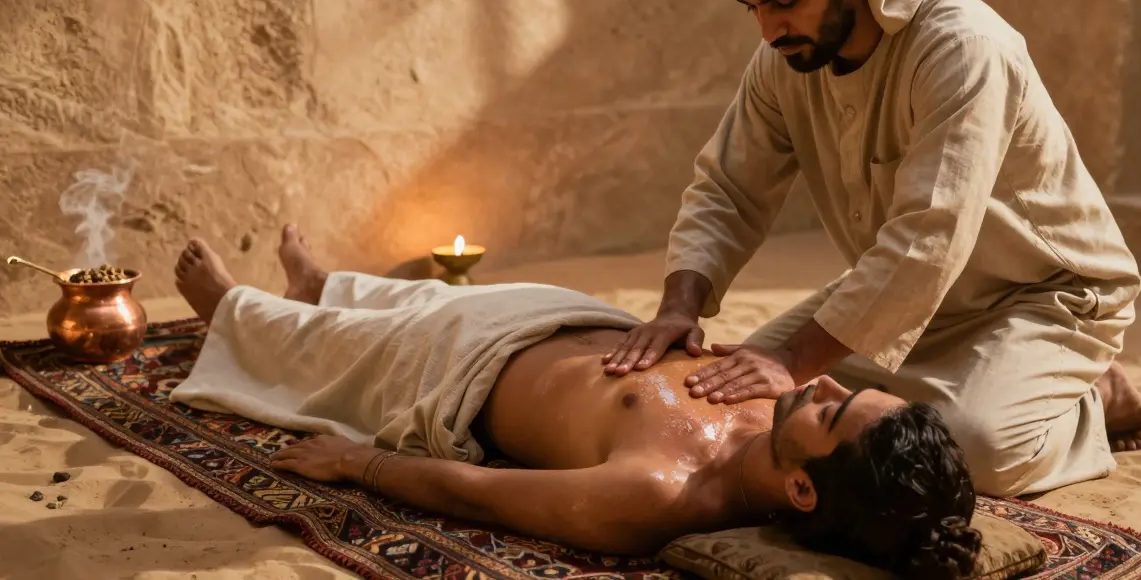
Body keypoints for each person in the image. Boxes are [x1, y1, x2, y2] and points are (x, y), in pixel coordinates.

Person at [604, 0, 1141, 499]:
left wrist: (791, 362)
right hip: (903, 292)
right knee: (739, 404)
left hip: (1044, 295)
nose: (768, 30)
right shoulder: (786, 62)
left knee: (967, 454)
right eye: (752, 7)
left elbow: (931, 232)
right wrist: (680, 308)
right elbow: (729, 187)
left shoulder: (961, 46)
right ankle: (977, 386)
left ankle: (1090, 398)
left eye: (784, 1)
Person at [168, 226, 983, 578]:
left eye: (831, 411)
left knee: (328, 350)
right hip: (565, 317)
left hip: (452, 376)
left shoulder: (660, 492)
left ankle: (236, 311)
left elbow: (477, 491)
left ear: (803, 489)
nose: (827, 383)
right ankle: (323, 285)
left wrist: (357, 462)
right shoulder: (780, 419)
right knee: (404, 299)